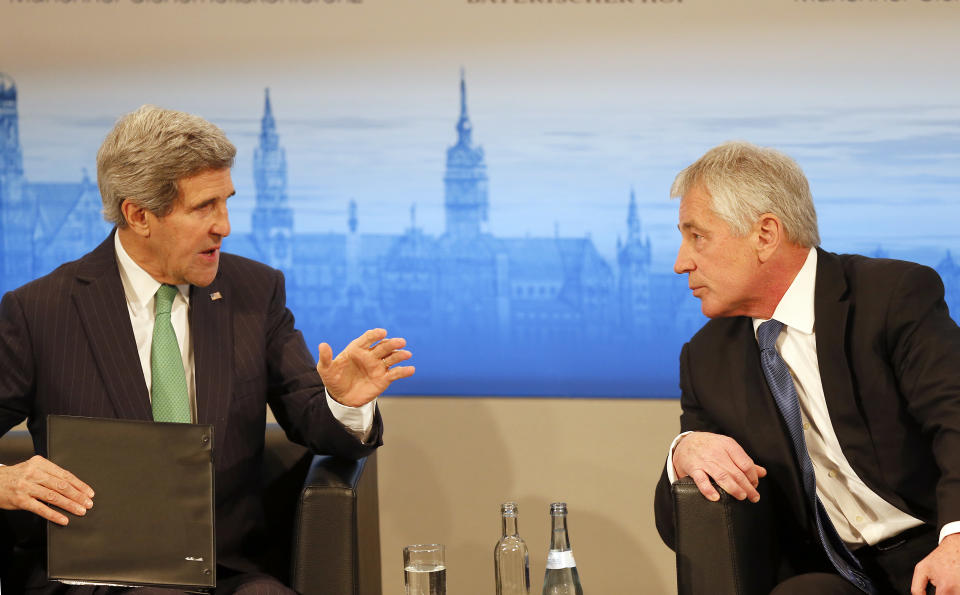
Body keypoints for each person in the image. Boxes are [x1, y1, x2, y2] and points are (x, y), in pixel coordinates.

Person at [0, 105, 415, 594]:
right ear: (139, 215)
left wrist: (345, 402)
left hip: (226, 574)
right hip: (93, 577)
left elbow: (311, 420)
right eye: (204, 207)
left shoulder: (254, 293)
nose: (225, 226)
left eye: (226, 202)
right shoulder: (39, 311)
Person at [653, 141, 960, 595]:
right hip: (834, 574)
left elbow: (954, 417)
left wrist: (956, 538)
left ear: (765, 234)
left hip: (934, 545)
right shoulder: (706, 357)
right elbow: (683, 528)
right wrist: (684, 453)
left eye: (697, 236)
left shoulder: (892, 296)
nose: (681, 263)